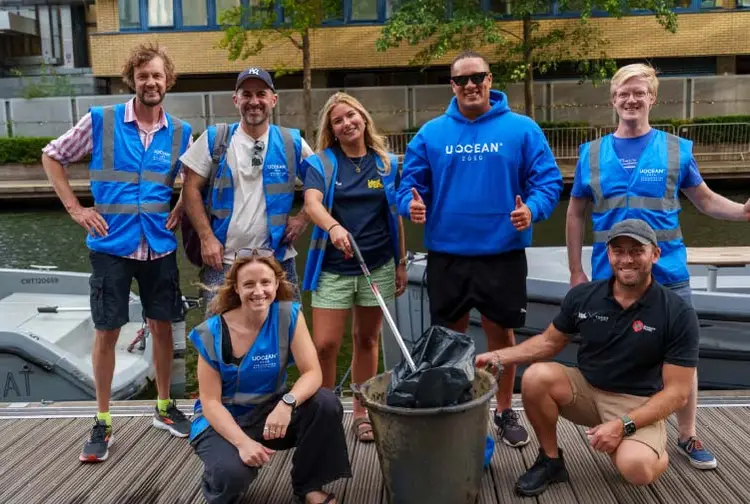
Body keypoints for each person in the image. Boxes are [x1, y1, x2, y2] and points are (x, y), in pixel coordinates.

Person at [566, 63, 750, 470]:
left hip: (667, 273)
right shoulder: (591, 153)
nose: (631, 100)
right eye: (623, 93)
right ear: (613, 100)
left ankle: (687, 434)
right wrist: (576, 270)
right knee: (611, 350)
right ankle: (616, 426)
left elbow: (703, 200)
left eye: (639, 93)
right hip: (609, 273)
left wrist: (743, 212)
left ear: (652, 98)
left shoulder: (674, 149)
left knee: (683, 357)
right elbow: (576, 212)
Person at [396, 50, 563, 448]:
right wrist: (411, 205)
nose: (470, 85)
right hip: (448, 253)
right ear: (452, 86)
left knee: (500, 335)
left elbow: (549, 183)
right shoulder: (432, 133)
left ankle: (504, 410)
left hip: (501, 251)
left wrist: (533, 210)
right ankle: (457, 408)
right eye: (462, 80)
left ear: (490, 80)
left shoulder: (522, 129)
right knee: (449, 338)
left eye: (478, 77)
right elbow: (406, 187)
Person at [41, 42, 193, 462]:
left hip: (158, 245)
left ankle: (163, 407)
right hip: (112, 243)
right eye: (143, 75)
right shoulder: (102, 121)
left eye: (158, 76)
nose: (151, 82)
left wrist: (181, 205)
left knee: (163, 326)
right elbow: (52, 156)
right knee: (107, 330)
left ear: (168, 81)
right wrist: (76, 209)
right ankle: (103, 420)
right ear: (133, 79)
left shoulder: (179, 132)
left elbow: (193, 179)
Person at [477, 219, 699, 496]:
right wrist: (499, 356)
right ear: (608, 254)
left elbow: (678, 394)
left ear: (654, 254)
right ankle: (551, 460)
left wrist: (622, 426)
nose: (626, 259)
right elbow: (548, 343)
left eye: (636, 251)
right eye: (618, 251)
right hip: (586, 390)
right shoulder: (584, 296)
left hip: (637, 403)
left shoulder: (677, 312)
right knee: (536, 376)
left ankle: (653, 449)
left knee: (637, 469)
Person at [189, 248, 351, 504]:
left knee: (325, 402)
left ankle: (308, 486)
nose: (259, 291)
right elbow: (210, 402)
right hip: (222, 420)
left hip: (270, 412)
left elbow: (312, 372)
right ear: (236, 289)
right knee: (231, 474)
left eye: (265, 282)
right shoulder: (211, 332)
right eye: (249, 284)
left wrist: (287, 404)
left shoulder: (289, 316)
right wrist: (242, 443)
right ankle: (215, 481)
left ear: (277, 284)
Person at [301, 92, 407, 443]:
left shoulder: (387, 163)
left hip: (378, 264)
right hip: (334, 268)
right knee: (325, 345)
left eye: (351, 116)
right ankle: (327, 409)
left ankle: (362, 411)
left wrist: (402, 262)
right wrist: (333, 227)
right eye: (337, 120)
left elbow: (396, 218)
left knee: (366, 339)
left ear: (363, 117)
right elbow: (312, 203)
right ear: (330, 129)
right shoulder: (322, 163)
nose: (346, 123)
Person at [181, 66, 314, 308]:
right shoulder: (215, 139)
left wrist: (303, 218)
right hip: (223, 261)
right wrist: (206, 237)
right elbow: (190, 188)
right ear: (236, 100)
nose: (254, 101)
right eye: (247, 94)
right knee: (220, 336)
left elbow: (320, 183)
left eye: (261, 94)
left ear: (273, 100)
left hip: (277, 259)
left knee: (287, 333)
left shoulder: (291, 141)